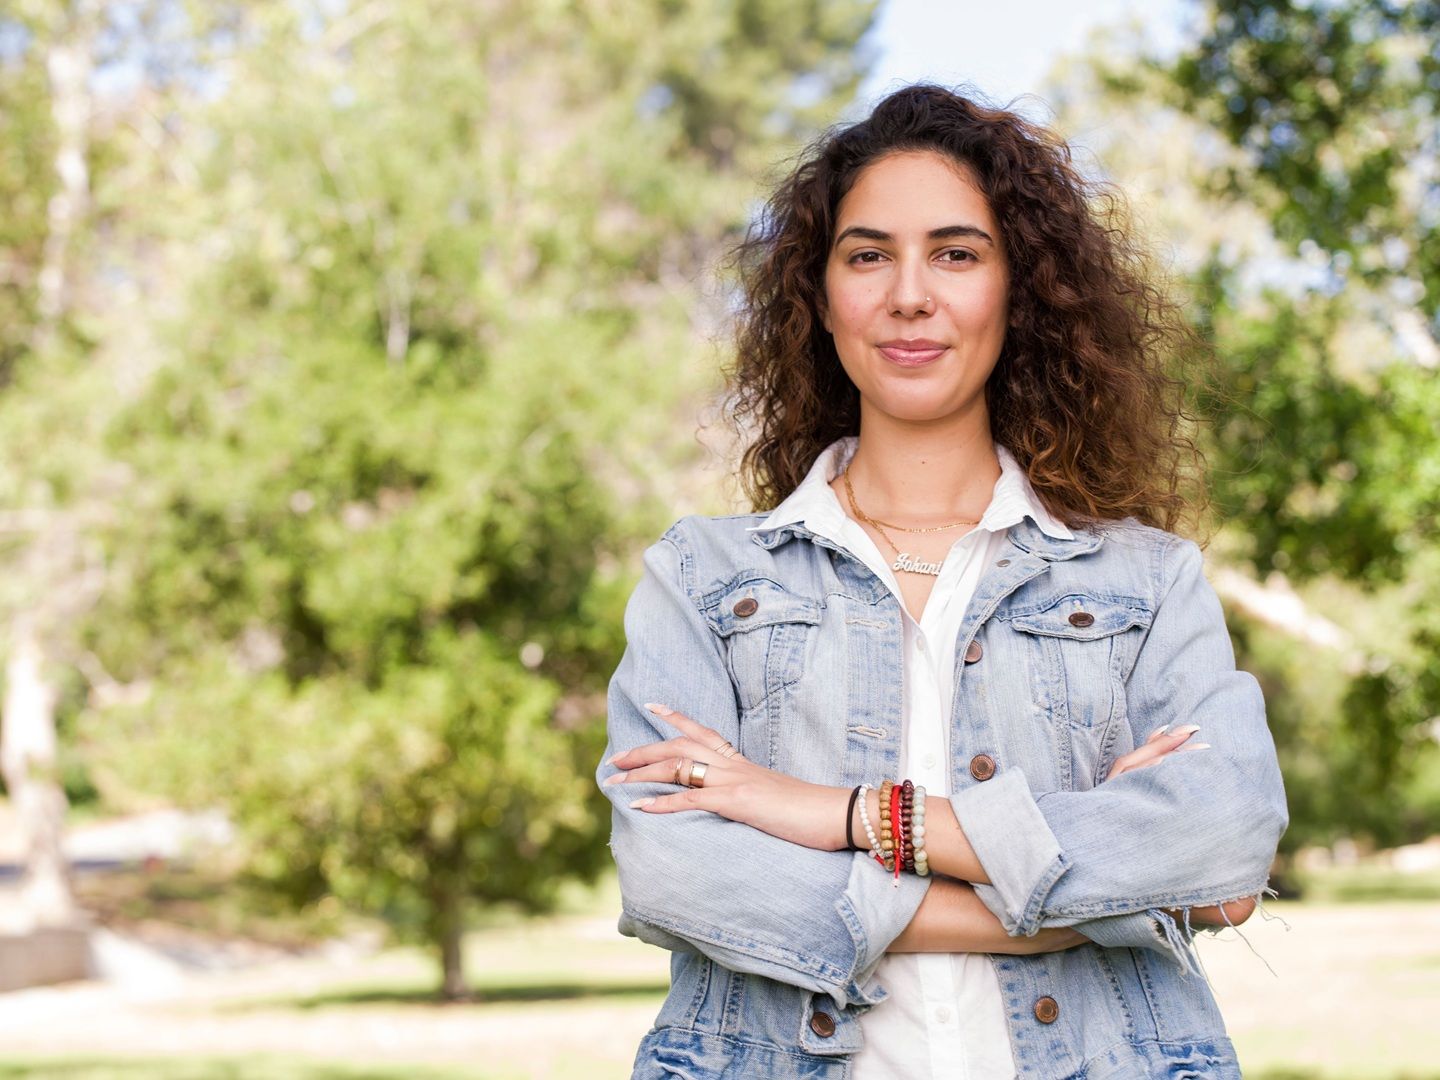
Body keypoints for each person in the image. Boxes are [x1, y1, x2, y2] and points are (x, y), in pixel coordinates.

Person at [597, 84, 1288, 1080]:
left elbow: (1221, 843)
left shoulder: (1146, 582)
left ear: (1021, 289)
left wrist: (838, 816)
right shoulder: (703, 579)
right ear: (819, 295)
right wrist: (1069, 908)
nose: (909, 294)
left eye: (956, 253)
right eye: (868, 254)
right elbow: (677, 871)